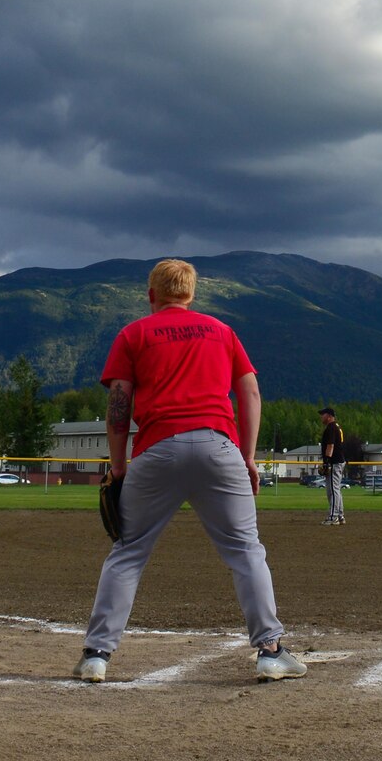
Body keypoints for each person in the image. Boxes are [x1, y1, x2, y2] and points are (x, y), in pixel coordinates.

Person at [73, 259, 305, 685]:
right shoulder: (221, 331)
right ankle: (270, 651)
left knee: (128, 552)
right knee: (245, 551)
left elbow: (118, 406)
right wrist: (249, 458)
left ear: (151, 295)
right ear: (191, 294)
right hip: (219, 447)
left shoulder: (133, 334)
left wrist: (120, 466)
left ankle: (97, 655)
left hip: (157, 449)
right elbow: (250, 390)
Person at [318, 407, 347, 525]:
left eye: (323, 414)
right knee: (336, 489)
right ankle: (340, 515)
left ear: (329, 416)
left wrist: (326, 462)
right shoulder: (337, 427)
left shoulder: (331, 427)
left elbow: (330, 445)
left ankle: (333, 517)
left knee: (333, 490)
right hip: (338, 461)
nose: (321, 416)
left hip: (334, 462)